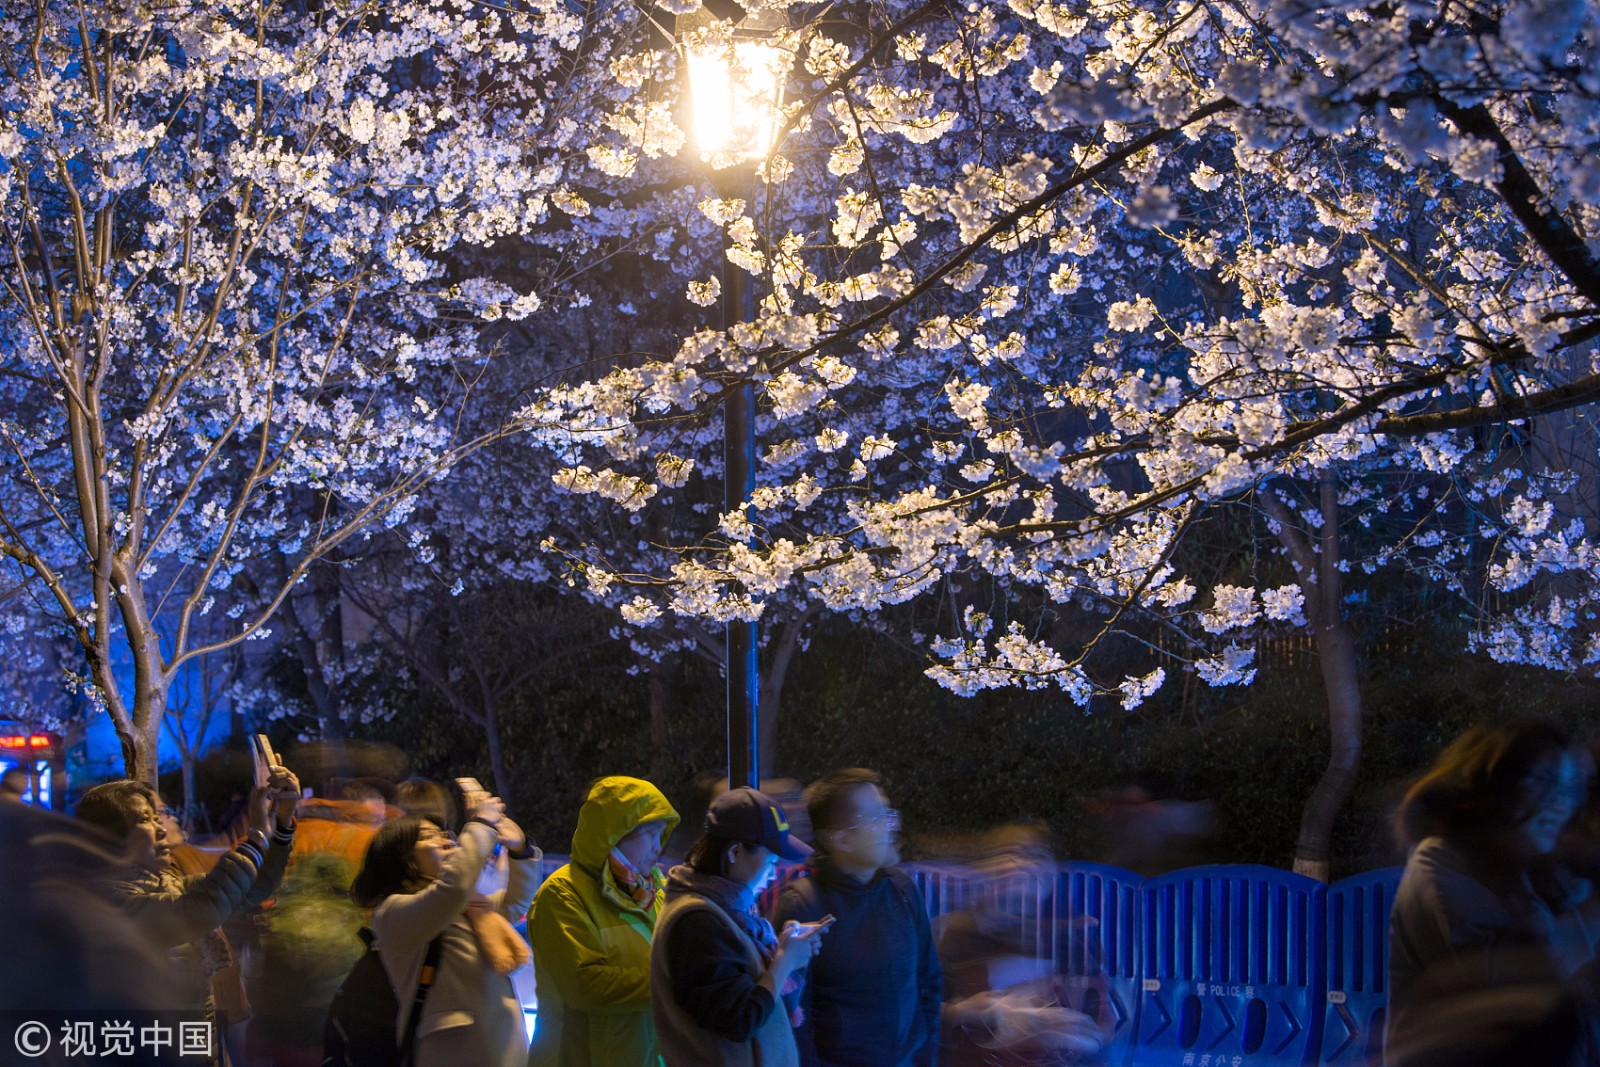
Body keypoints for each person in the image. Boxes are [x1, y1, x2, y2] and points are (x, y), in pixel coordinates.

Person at [1386, 720, 1600, 1067]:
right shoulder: (1441, 861)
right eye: (1541, 782)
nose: (1560, 804)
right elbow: (1501, 976)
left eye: (1569, 787)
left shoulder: (1531, 868)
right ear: (1495, 784)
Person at [75, 765, 300, 1059]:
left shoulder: (167, 888)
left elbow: (254, 887)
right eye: (145, 819)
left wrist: (282, 824)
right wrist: (256, 834)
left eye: (158, 817)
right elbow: (204, 908)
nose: (160, 828)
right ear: (111, 837)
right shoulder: (111, 902)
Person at [349, 791, 540, 1067]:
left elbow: (516, 902)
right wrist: (481, 825)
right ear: (404, 859)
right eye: (429, 837)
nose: (446, 840)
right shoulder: (392, 912)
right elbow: (454, 888)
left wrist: (522, 850)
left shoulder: (468, 905)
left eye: (445, 834)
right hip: (454, 1049)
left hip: (498, 1040)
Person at [772, 768, 941, 1067]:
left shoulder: (902, 890)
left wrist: (925, 1056)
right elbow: (794, 1016)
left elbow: (928, 983)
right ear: (839, 839)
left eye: (889, 814)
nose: (892, 826)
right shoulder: (803, 906)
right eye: (876, 818)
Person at [651, 786, 827, 1066]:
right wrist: (783, 962)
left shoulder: (728, 909)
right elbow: (738, 1019)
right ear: (734, 852)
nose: (773, 873)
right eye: (770, 861)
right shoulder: (697, 921)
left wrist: (783, 949)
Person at [527, 775, 681, 1067]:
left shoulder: (651, 890)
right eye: (649, 834)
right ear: (614, 833)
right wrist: (676, 983)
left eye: (661, 835)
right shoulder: (562, 894)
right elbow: (587, 986)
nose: (657, 847)